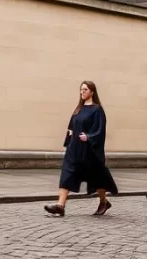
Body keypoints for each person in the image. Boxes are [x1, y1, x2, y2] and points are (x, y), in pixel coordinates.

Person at [44, 81, 119, 217]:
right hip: (74, 149)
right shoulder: (78, 108)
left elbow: (100, 130)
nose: (82, 92)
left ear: (92, 92)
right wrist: (70, 135)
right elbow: (71, 126)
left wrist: (89, 137)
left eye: (85, 89)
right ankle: (60, 206)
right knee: (67, 173)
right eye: (81, 90)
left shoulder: (97, 109)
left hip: (89, 151)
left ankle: (103, 202)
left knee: (97, 177)